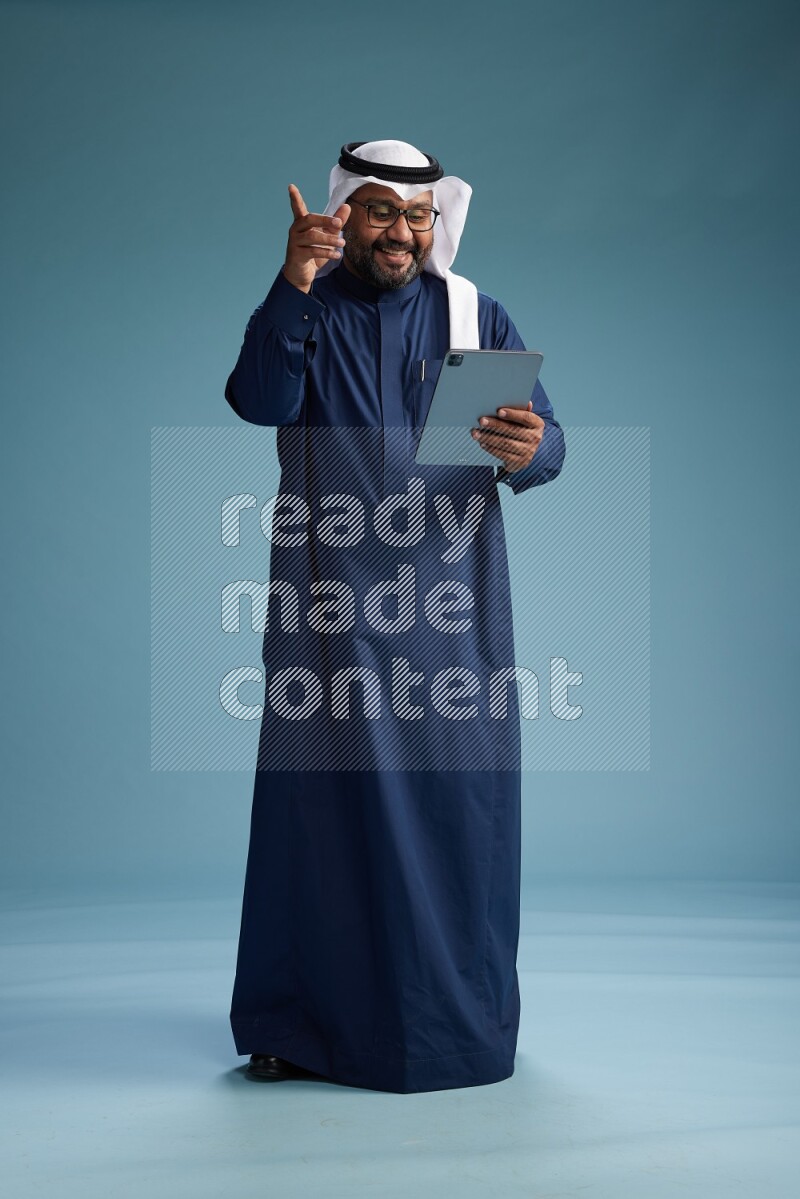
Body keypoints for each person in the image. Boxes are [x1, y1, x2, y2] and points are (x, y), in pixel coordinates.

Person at [224, 140, 566, 1094]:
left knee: (460, 815)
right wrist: (292, 282)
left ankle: (453, 1032)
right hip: (327, 604)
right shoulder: (306, 308)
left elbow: (546, 440)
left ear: (437, 222)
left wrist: (528, 445)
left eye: (418, 216)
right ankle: (298, 1027)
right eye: (380, 212)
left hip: (449, 612)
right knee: (317, 819)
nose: (402, 232)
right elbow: (260, 401)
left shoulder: (471, 313)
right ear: (345, 216)